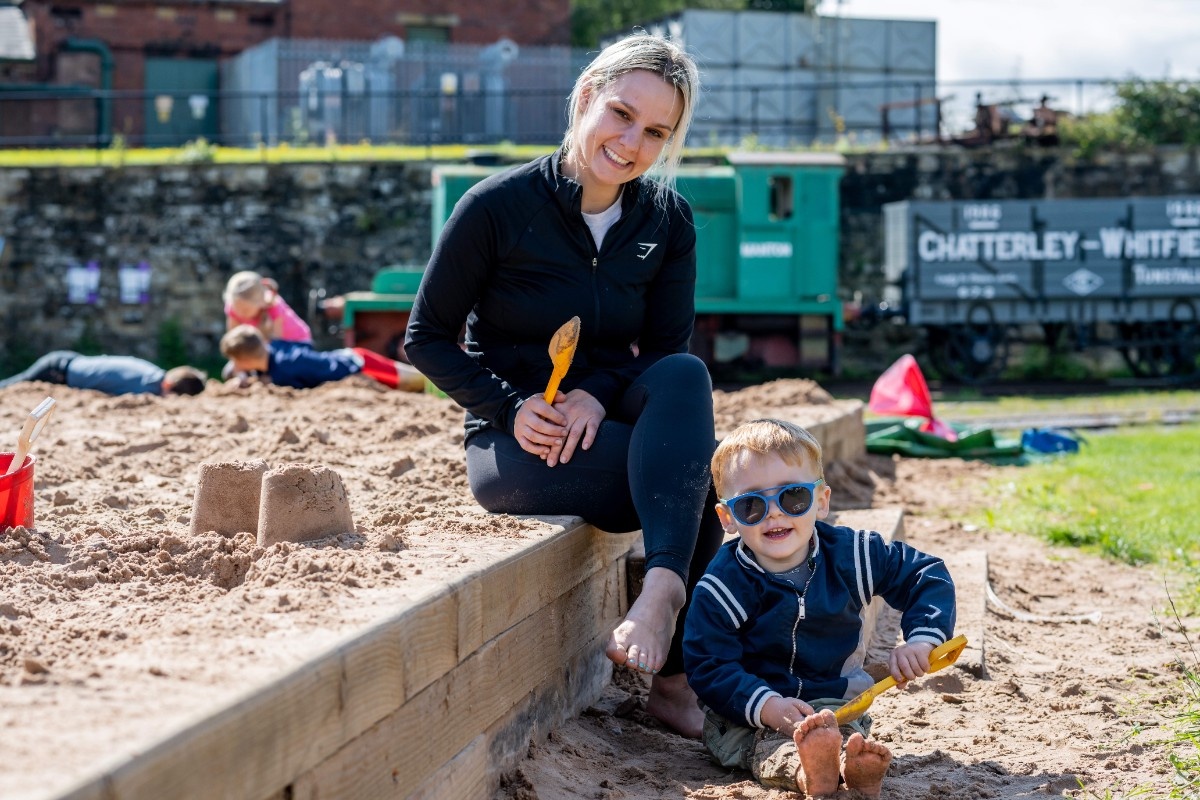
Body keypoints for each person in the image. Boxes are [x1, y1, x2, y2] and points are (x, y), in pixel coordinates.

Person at [403, 32, 722, 738]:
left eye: (655, 131)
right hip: (519, 441)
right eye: (620, 114)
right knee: (696, 477)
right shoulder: (498, 206)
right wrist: (512, 409)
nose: (632, 141)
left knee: (685, 377)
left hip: (610, 415)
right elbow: (424, 338)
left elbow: (667, 352)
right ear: (585, 98)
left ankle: (662, 590)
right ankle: (675, 685)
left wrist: (599, 392)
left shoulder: (666, 220)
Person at [683, 418, 956, 798]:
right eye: (751, 505)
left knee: (838, 731)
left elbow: (923, 574)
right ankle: (810, 773)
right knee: (772, 748)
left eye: (793, 497)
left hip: (834, 700)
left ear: (822, 500)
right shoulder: (723, 586)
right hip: (750, 711)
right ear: (728, 518)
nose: (775, 513)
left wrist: (924, 638)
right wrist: (767, 706)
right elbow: (708, 662)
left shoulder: (851, 554)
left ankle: (851, 767)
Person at [220, 324, 426, 392]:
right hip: (352, 357)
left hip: (358, 366)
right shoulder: (273, 348)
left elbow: (325, 369)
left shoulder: (286, 369)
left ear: (245, 361)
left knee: (420, 380)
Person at [0, 351, 206, 396]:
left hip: (65, 362)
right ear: (168, 386)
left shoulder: (153, 372)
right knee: (11, 386)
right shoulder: (147, 386)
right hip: (57, 370)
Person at [223, 270, 312, 344]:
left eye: (246, 310)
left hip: (297, 342)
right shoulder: (233, 307)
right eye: (237, 308)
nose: (240, 313)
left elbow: (277, 344)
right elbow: (233, 340)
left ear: (260, 303)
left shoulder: (274, 305)